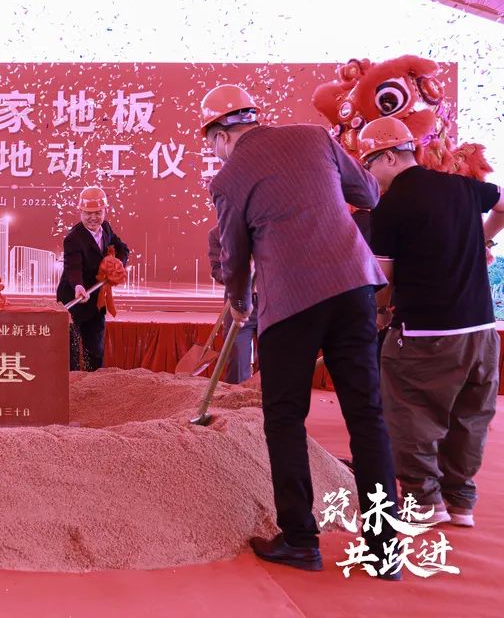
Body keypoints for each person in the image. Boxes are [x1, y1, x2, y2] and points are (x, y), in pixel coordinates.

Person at [202, 84, 400, 576]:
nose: (213, 152)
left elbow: (234, 256)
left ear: (221, 134)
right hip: (353, 287)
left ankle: (300, 540)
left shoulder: (228, 178)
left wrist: (240, 303)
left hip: (290, 302)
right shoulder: (314, 137)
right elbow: (369, 193)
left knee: (285, 418)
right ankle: (385, 552)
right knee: (367, 417)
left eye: (210, 142)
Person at [362, 116, 504, 528]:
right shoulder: (462, 186)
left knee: (410, 414)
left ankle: (424, 500)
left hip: (425, 333)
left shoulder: (390, 207)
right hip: (480, 331)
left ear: (389, 156)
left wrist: (379, 312)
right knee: (469, 418)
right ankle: (460, 501)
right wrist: (484, 239)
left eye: (369, 164)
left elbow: (383, 277)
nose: (369, 174)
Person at [55, 187, 129, 371]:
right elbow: (73, 267)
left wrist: (117, 264)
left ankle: (94, 383)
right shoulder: (74, 238)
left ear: (105, 211)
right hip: (74, 297)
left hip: (96, 298)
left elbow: (122, 248)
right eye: (88, 213)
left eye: (98, 213)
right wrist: (78, 286)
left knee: (95, 350)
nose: (93, 218)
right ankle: (71, 385)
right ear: (80, 211)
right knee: (70, 352)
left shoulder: (106, 228)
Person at [207, 225, 257, 383]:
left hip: (271, 304)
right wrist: (235, 275)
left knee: (275, 362)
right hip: (238, 302)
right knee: (236, 363)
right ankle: (236, 396)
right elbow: (217, 269)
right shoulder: (217, 233)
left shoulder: (267, 226)